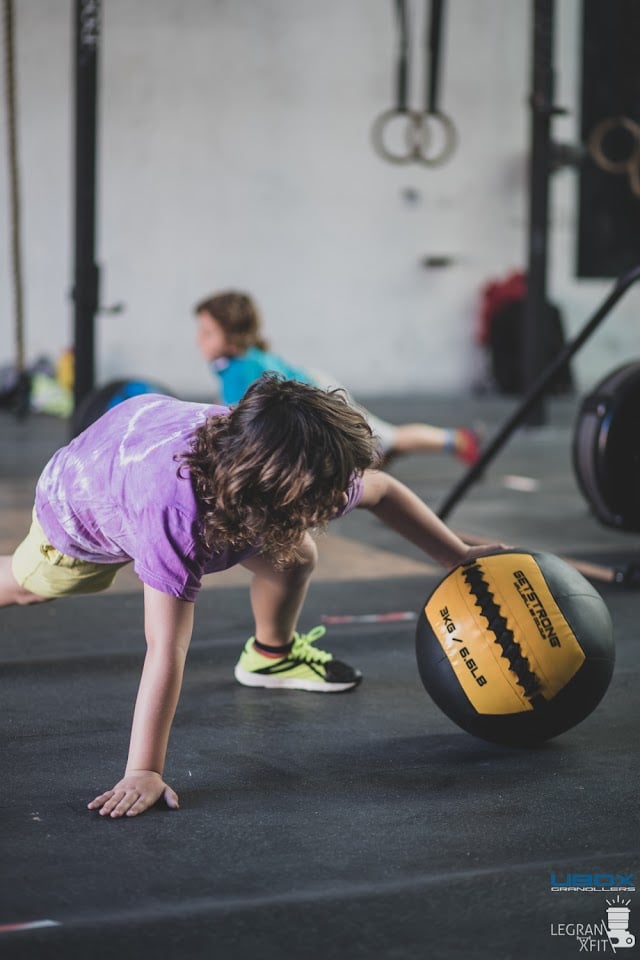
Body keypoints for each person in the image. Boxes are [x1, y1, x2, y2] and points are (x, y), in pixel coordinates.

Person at [1, 375, 502, 819]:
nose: (338, 502)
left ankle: (270, 656)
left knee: (297, 556)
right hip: (82, 499)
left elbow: (384, 490)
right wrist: (144, 770)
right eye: (324, 498)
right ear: (275, 491)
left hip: (150, 439)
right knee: (32, 589)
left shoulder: (276, 461)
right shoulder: (177, 517)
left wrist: (457, 555)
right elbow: (165, 648)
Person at [195, 291, 481, 465]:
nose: (199, 340)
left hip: (321, 393)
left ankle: (458, 440)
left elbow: (233, 421)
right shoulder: (235, 362)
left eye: (207, 333)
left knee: (388, 437)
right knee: (375, 443)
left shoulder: (240, 367)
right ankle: (379, 457)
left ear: (232, 335)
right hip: (314, 386)